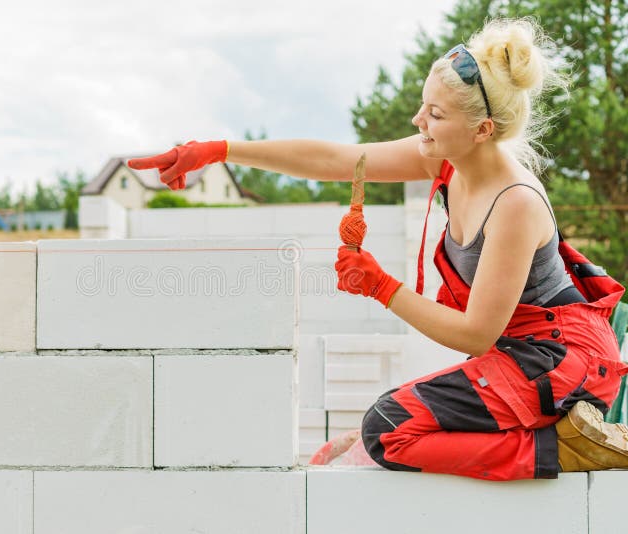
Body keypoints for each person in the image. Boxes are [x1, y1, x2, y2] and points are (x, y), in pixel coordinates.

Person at [127, 18, 628, 481]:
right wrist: (219, 151)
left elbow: (477, 333)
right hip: (523, 355)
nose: (418, 120)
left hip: (563, 365)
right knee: (394, 421)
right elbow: (335, 159)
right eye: (423, 105)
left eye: (435, 114)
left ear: (482, 130)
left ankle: (559, 450)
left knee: (387, 429)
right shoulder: (446, 162)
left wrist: (380, 286)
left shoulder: (514, 203)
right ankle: (541, 440)